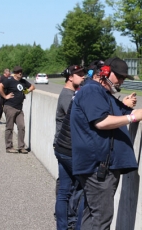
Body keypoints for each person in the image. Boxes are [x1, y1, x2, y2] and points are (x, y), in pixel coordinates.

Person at [70, 57, 142, 229]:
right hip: (97, 167)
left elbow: (126, 111)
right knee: (101, 218)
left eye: (124, 77)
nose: (121, 81)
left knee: (92, 216)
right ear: (105, 72)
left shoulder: (103, 94)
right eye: (119, 76)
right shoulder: (91, 91)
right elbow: (101, 121)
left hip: (101, 166)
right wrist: (133, 117)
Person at [53, 65, 86, 230]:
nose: (83, 76)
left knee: (65, 191)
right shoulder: (68, 96)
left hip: (62, 146)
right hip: (67, 148)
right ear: (70, 77)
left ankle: (63, 226)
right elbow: (77, 118)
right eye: (79, 74)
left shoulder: (70, 93)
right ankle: (73, 224)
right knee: (84, 188)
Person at [0, 66, 35, 153]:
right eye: (18, 72)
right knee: (9, 127)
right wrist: (5, 96)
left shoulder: (23, 81)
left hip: (19, 108)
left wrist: (26, 91)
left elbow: (32, 86)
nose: (20, 73)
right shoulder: (9, 81)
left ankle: (21, 147)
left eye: (21, 72)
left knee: (21, 126)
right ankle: (9, 147)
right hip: (10, 106)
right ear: (14, 73)